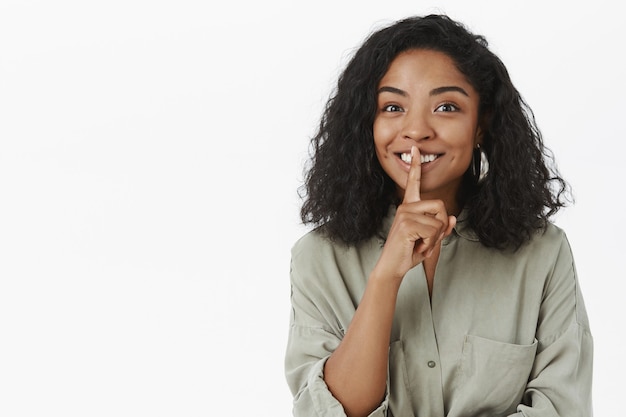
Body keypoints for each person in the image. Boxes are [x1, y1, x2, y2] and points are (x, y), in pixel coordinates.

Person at [285, 14, 593, 417]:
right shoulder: (318, 258)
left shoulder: (542, 253)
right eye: (393, 106)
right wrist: (385, 276)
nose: (416, 130)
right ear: (368, 124)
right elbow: (327, 411)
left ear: (480, 125)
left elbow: (563, 408)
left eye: (446, 106)